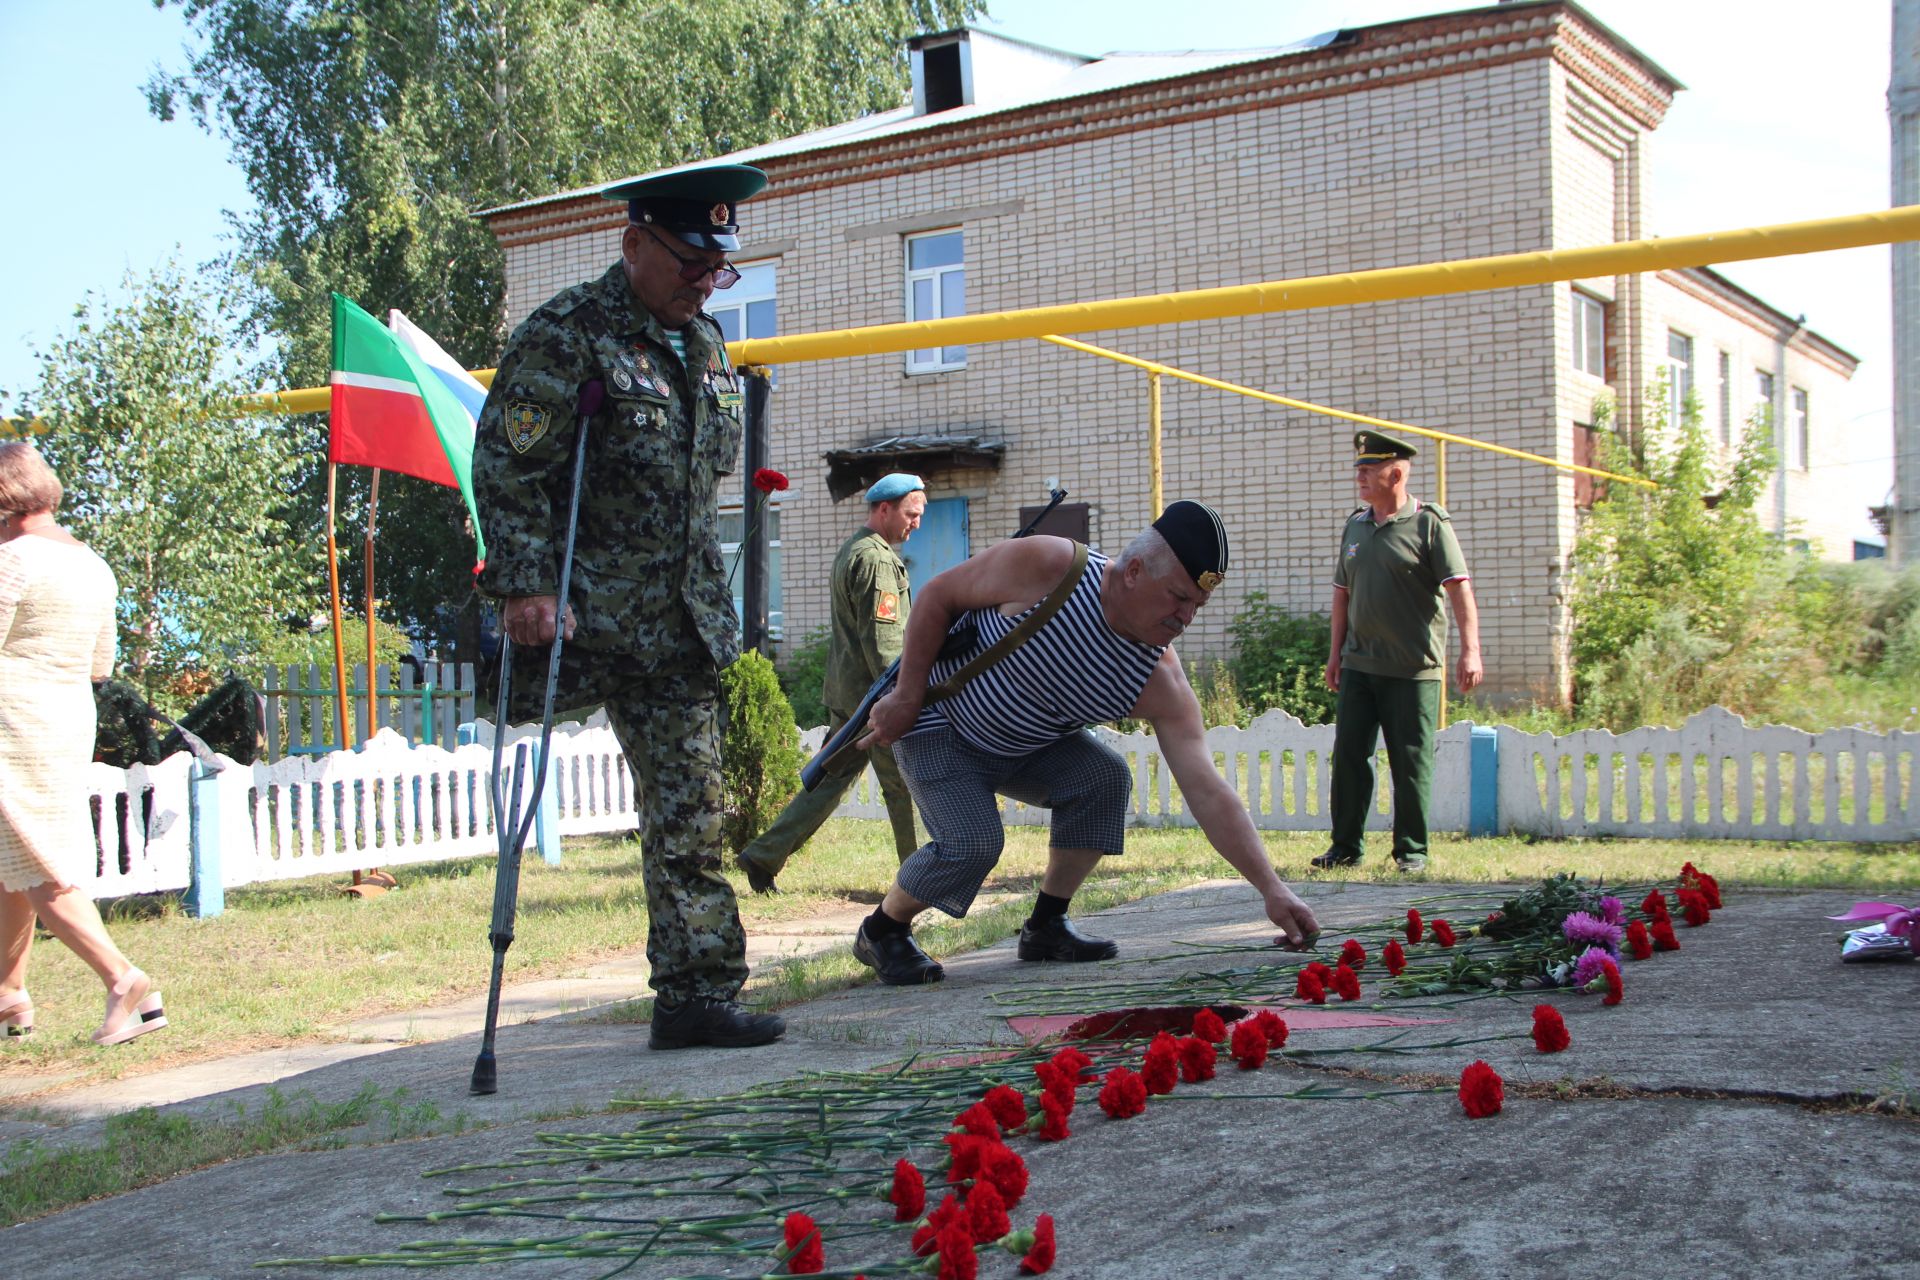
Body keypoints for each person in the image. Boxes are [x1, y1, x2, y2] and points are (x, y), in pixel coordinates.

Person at [470, 162, 784, 1050]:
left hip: (680, 623)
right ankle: (685, 988)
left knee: (693, 811)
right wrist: (527, 584)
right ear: (634, 241)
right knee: (600, 803)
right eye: (689, 259)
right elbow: (506, 466)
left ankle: (695, 995)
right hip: (589, 615)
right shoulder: (569, 338)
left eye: (716, 267)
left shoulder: (709, 347)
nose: (702, 280)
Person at [851, 500, 1321, 985]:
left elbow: (1207, 789)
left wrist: (1271, 887)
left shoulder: (1158, 678)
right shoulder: (1051, 567)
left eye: (1196, 607)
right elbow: (936, 596)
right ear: (1134, 570)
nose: (1185, 618)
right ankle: (883, 930)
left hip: (1021, 747)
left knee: (1104, 778)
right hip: (937, 724)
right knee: (973, 843)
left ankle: (1046, 926)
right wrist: (907, 694)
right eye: (1178, 597)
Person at [0, 443, 168, 1045]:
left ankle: (121, 977)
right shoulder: (93, 564)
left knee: (40, 865)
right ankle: (10, 995)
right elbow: (100, 663)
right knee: (15, 859)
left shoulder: (13, 561)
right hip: (66, 719)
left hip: (11, 723)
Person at [737, 473, 926, 894]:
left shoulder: (854, 549)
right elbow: (884, 642)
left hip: (850, 692)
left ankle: (764, 855)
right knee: (904, 784)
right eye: (911, 515)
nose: (916, 524)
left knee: (830, 780)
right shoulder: (877, 560)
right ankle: (918, 882)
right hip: (874, 699)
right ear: (884, 509)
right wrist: (902, 696)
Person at [1312, 430, 1482, 873]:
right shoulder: (1355, 525)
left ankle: (1411, 851)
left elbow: (1459, 590)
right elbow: (1341, 595)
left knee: (1410, 762)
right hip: (1359, 665)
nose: (1360, 477)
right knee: (1350, 757)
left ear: (1398, 472)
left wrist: (1471, 652)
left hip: (1413, 669)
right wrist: (1335, 654)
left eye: (1369, 470)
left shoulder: (1430, 523)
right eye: (1359, 470)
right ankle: (1345, 847)